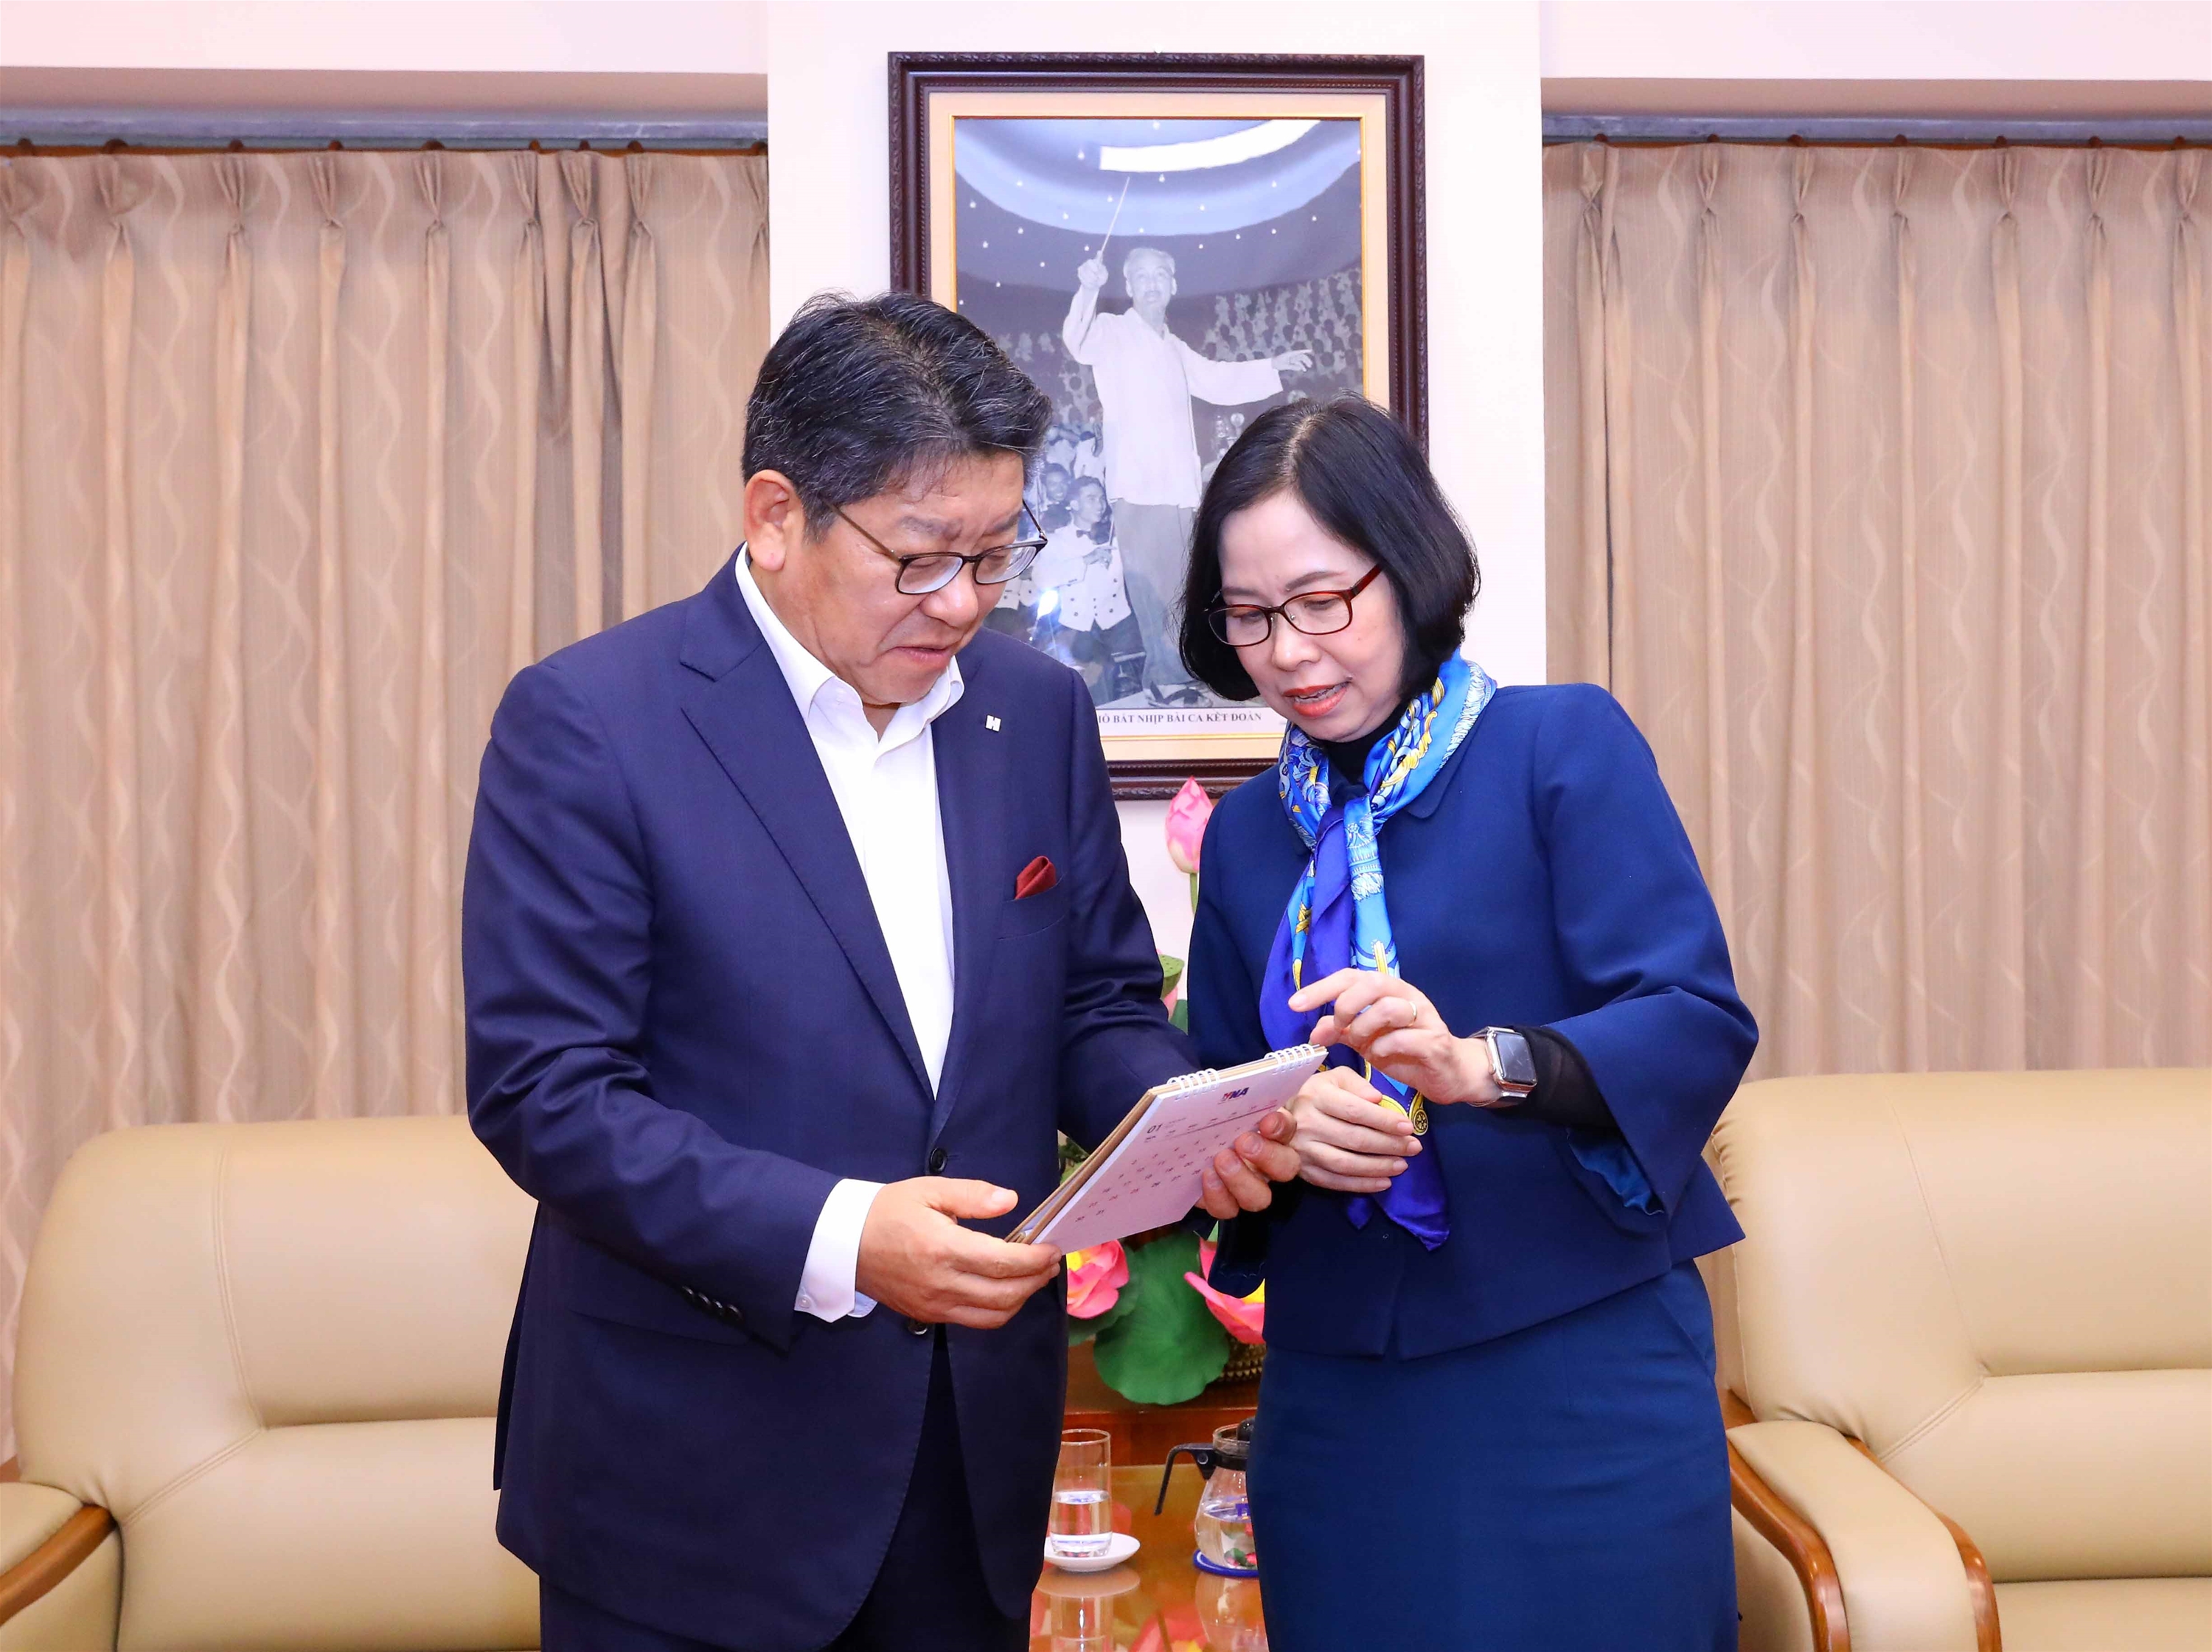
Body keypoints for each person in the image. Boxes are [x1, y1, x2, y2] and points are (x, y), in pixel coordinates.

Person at [462, 291, 1300, 1652]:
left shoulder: (1033, 712)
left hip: (969, 1462)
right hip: (688, 1478)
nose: (963, 602)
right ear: (776, 516)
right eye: (920, 559)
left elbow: (1092, 1004)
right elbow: (548, 1093)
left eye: (995, 554)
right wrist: (846, 1236)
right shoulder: (595, 723)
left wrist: (1191, 1127)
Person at [1180, 397, 1757, 1651]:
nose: (1288, 650)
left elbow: (1695, 1019)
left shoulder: (1558, 747)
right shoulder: (1245, 838)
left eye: (1322, 601)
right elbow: (1216, 1099)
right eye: (1251, 615)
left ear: (1409, 568)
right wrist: (1273, 1132)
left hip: (1577, 1377)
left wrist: (1473, 1065)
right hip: (1340, 1409)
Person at [1062, 247, 1312, 705]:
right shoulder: (1112, 330)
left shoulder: (1173, 346)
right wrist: (1088, 287)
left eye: (1160, 275)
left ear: (1173, 285)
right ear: (1128, 286)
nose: (1152, 283)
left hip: (1178, 487)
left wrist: (1272, 366)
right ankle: (1164, 677)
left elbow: (1215, 379)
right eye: (1141, 276)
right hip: (1139, 487)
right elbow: (1077, 340)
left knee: (1181, 583)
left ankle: (1183, 672)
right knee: (1150, 587)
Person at [1029, 475, 1144, 705]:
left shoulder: (1116, 537)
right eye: (1091, 498)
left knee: (1136, 677)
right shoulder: (1056, 540)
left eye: (1102, 498)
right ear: (1073, 504)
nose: (1100, 504)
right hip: (1078, 624)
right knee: (1092, 676)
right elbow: (1041, 579)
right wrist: (1085, 561)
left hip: (1118, 622)